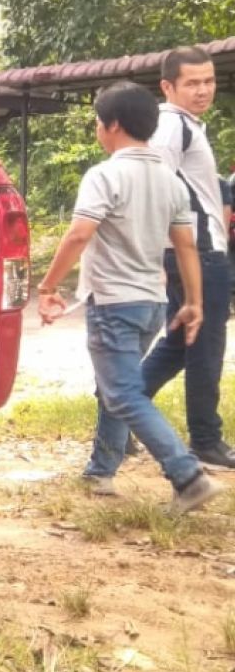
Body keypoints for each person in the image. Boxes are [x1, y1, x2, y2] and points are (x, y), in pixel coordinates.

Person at [38, 81, 224, 514]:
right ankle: (102, 469)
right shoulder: (171, 180)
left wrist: (48, 288)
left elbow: (80, 233)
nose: (98, 131)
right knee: (118, 387)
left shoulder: (105, 175)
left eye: (98, 123)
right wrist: (194, 301)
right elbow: (186, 246)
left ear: (113, 126)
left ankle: (187, 475)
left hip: (114, 304)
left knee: (121, 392)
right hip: (152, 304)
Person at [139, 46, 235, 470]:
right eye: (192, 83)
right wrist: (163, 255)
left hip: (194, 250)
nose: (203, 90)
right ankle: (206, 439)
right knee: (206, 346)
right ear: (168, 86)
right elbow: (153, 187)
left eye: (208, 81)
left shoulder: (186, 126)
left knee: (180, 344)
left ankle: (118, 408)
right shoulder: (171, 127)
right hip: (198, 252)